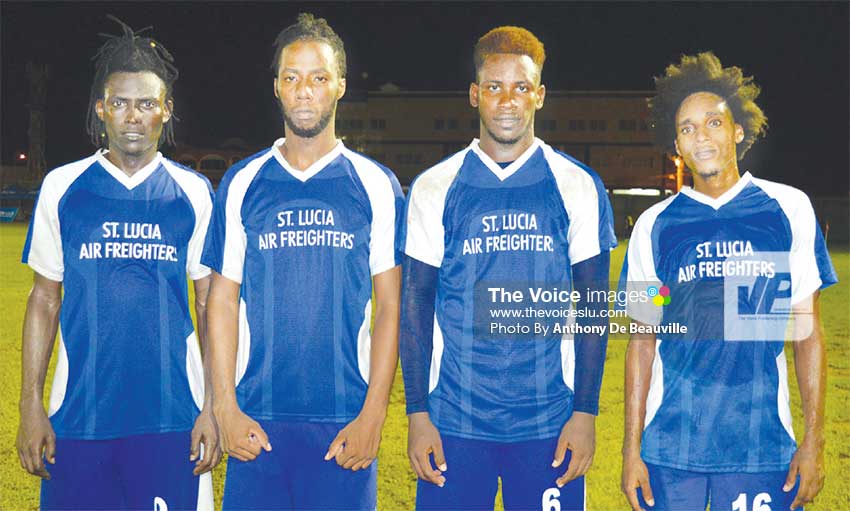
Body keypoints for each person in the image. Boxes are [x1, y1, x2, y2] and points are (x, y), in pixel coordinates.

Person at [400, 26, 616, 510]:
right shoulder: (435, 187)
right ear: (475, 95)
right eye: (494, 87)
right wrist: (418, 413)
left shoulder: (577, 185)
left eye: (521, 87)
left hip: (549, 425)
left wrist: (584, 412)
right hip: (455, 422)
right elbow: (415, 305)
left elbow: (593, 309)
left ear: (539, 95)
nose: (507, 100)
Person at [202, 13, 404, 510]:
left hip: (343, 425)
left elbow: (391, 308)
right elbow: (221, 302)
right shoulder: (243, 182)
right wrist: (225, 407)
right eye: (292, 77)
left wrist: (373, 415)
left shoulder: (376, 184)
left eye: (318, 78)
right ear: (276, 87)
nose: (305, 90)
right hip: (256, 423)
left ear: (339, 85)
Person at [620, 52, 837, 511]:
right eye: (687, 128)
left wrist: (814, 443)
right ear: (675, 144)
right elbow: (641, 339)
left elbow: (808, 335)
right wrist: (630, 450)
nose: (700, 136)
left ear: (738, 130)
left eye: (713, 123)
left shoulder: (788, 209)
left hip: (760, 446)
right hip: (671, 449)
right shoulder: (654, 226)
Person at [17, 16, 219, 510]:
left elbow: (210, 304)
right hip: (79, 417)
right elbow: (45, 297)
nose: (134, 116)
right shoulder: (63, 188)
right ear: (101, 109)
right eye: (121, 103)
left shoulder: (193, 193)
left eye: (147, 104)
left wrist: (215, 407)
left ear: (166, 112)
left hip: (173, 417)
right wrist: (29, 405)